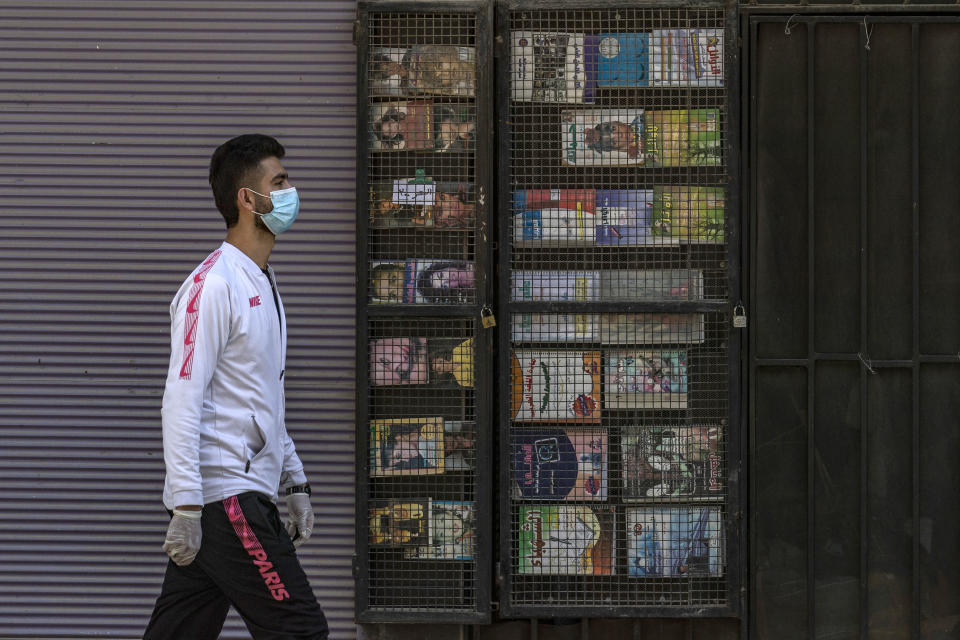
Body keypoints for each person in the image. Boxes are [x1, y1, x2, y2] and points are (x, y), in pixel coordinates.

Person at [143, 134, 328, 640]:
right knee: (300, 630)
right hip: (224, 498)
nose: (292, 191)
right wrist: (184, 505)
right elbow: (181, 396)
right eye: (280, 182)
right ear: (249, 200)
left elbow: (263, 395)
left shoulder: (262, 282)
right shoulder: (215, 285)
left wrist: (293, 481)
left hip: (242, 493)